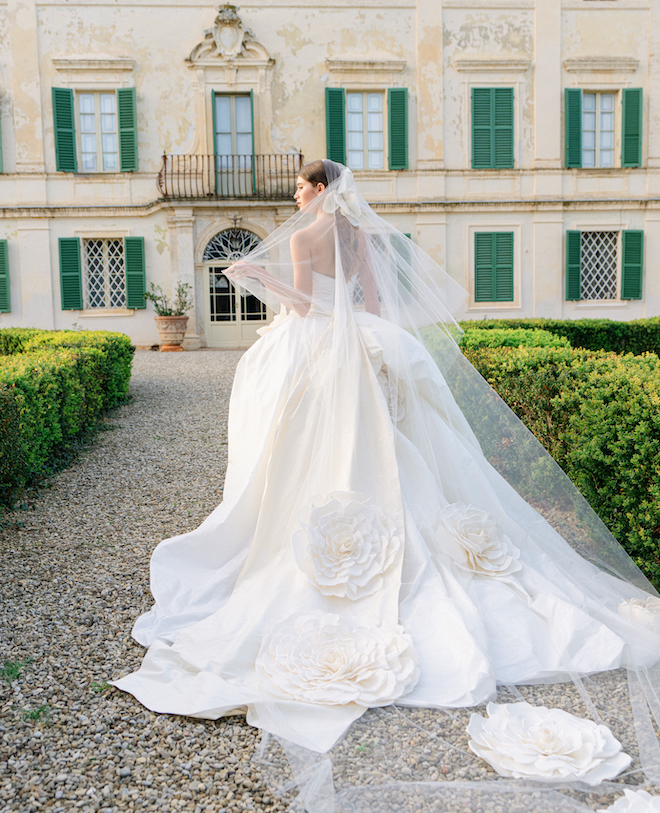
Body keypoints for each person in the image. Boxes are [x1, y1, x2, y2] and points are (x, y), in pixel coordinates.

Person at [113, 160, 660, 812]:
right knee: (395, 453)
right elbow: (369, 302)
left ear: (319, 191)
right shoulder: (360, 237)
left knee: (314, 452)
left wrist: (254, 277)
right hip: (365, 348)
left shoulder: (302, 236)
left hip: (320, 350)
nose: (294, 193)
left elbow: (299, 302)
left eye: (301, 186)